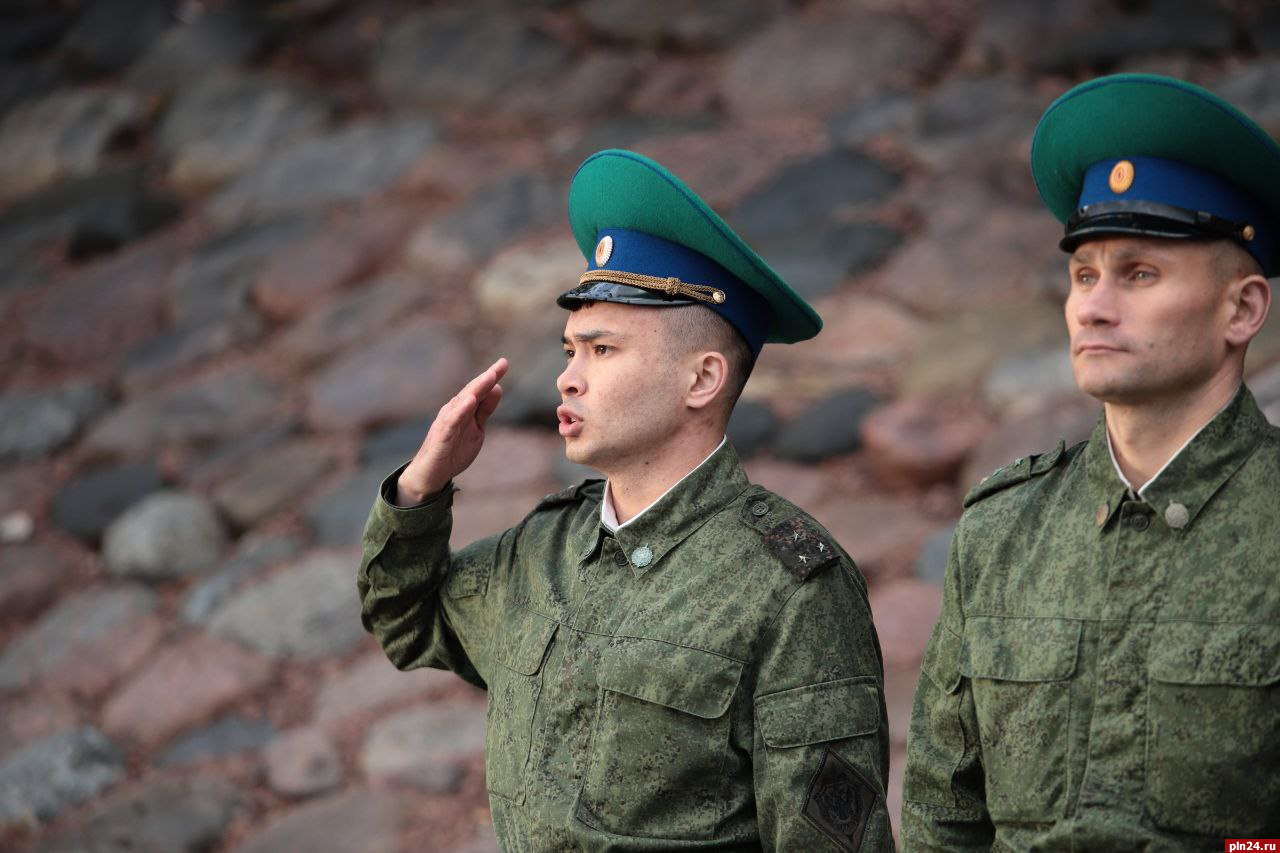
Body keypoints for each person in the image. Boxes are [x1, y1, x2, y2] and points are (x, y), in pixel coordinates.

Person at [358, 149, 895, 851]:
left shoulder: (790, 589)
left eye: (602, 350)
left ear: (702, 378)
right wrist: (420, 488)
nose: (567, 379)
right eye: (568, 350)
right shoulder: (543, 547)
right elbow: (405, 617)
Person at [901, 73, 1280, 850]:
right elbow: (944, 814)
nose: (1093, 305)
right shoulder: (1003, 530)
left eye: (1139, 273)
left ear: (1241, 309)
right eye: (1083, 274)